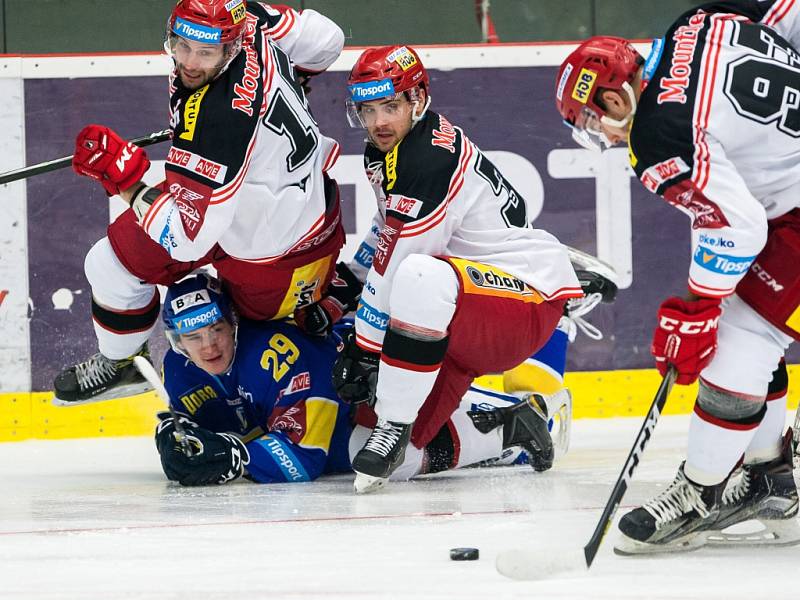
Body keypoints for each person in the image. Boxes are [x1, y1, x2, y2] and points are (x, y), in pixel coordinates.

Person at [555, 0, 800, 554]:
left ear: (615, 98)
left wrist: (697, 310)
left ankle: (703, 492)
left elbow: (737, 227)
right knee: (746, 324)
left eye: (594, 123)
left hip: (792, 211)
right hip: (788, 203)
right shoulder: (699, 20)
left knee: (741, 339)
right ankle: (769, 480)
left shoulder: (656, 134)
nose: (606, 138)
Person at [53, 0, 360, 405]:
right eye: (181, 46)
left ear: (230, 49)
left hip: (282, 251)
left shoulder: (218, 121)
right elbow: (327, 41)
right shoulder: (248, 21)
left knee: (262, 338)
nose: (190, 63)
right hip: (239, 198)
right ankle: (123, 362)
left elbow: (187, 241)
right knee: (108, 264)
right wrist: (290, 77)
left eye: (205, 53)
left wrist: (123, 180)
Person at [334, 45, 583, 494]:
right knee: (366, 452)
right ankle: (509, 428)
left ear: (418, 100)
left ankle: (395, 423)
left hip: (520, 299)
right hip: (453, 314)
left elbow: (401, 259)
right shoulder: (389, 149)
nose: (378, 123)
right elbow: (387, 229)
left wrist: (365, 346)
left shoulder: (428, 157)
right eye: (367, 110)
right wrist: (348, 280)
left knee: (418, 276)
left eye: (390, 106)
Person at [154, 273, 568, 486]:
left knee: (381, 456)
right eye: (193, 336)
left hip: (370, 378)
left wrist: (237, 460)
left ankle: (555, 312)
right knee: (370, 452)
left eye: (217, 330)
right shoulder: (178, 371)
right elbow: (225, 430)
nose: (209, 346)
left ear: (234, 322)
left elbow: (304, 458)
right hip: (346, 410)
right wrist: (181, 436)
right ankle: (509, 427)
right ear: (176, 342)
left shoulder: (277, 355)